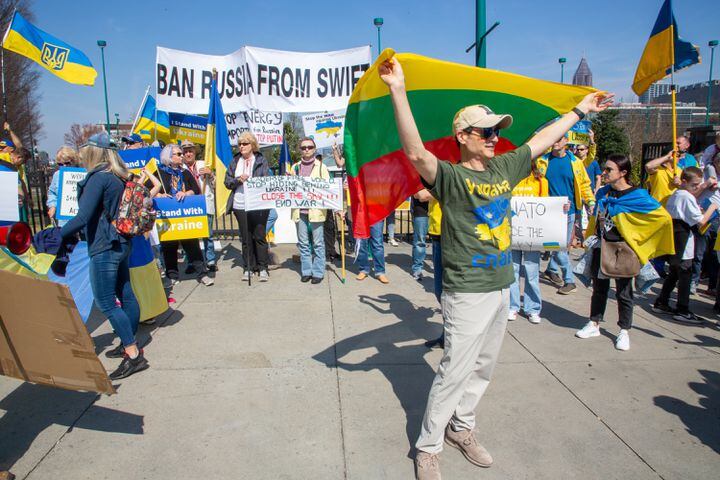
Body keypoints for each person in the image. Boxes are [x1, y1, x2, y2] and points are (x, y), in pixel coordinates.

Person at [378, 54, 612, 479]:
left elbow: (541, 141)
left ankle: (462, 427)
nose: (493, 136)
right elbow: (414, 151)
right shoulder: (449, 176)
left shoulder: (506, 164)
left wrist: (580, 112)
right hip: (466, 288)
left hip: (501, 284)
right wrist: (398, 89)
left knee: (483, 367)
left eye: (495, 131)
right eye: (485, 131)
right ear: (463, 136)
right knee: (454, 369)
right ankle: (428, 446)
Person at [60, 132, 148, 380]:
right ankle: (126, 341)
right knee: (126, 294)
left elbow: (82, 217)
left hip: (104, 245)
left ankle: (133, 354)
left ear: (94, 152)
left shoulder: (98, 178)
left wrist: (58, 234)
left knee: (106, 302)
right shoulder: (117, 176)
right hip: (121, 242)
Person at [575, 155, 653, 350]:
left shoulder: (638, 196)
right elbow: (596, 217)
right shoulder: (603, 193)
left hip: (624, 250)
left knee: (624, 292)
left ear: (623, 173)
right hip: (602, 246)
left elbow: (659, 218)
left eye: (609, 169)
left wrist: (640, 242)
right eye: (605, 168)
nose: (604, 173)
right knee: (599, 289)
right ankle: (594, 323)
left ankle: (624, 330)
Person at [653, 166, 718, 324]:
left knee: (675, 273)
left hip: (677, 238)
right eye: (694, 185)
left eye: (698, 184)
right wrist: (712, 208)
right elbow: (701, 221)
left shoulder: (677, 194)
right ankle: (682, 308)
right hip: (683, 239)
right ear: (684, 182)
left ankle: (662, 301)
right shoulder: (686, 196)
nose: (697, 188)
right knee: (685, 273)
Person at [538, 131, 595, 295]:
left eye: (558, 139)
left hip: (569, 212)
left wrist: (590, 202)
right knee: (558, 246)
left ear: (566, 141)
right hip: (549, 211)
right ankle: (569, 280)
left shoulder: (575, 162)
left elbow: (584, 184)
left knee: (561, 246)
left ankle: (552, 269)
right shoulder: (543, 161)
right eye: (553, 139)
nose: (555, 142)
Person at [153, 144, 213, 286]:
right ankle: (171, 275)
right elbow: (149, 190)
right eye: (178, 154)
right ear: (169, 157)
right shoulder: (159, 173)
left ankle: (202, 274)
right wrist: (160, 194)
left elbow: (196, 190)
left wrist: (186, 193)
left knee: (193, 246)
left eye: (181, 153)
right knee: (169, 247)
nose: (182, 156)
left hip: (185, 215)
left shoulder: (185, 173)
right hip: (168, 216)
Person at [224, 131, 271, 281]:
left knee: (259, 236)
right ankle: (249, 267)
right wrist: (238, 180)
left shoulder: (261, 160)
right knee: (246, 238)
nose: (241, 146)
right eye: (239, 144)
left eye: (245, 143)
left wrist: (251, 180)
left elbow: (265, 180)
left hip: (257, 204)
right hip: (240, 204)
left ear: (252, 145)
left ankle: (263, 267)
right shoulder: (234, 161)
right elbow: (227, 182)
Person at [508, 159, 548, 324]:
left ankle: (533, 308)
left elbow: (546, 205)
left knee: (532, 272)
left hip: (532, 235)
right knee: (513, 271)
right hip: (513, 233)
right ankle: (512, 306)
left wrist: (562, 208)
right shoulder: (509, 179)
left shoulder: (541, 182)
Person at [290, 138, 330, 284]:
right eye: (303, 147)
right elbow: (288, 189)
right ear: (300, 150)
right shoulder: (294, 167)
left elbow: (328, 189)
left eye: (309, 147)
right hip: (299, 210)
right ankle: (306, 271)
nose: (306, 149)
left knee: (318, 243)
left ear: (314, 149)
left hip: (316, 211)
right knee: (303, 243)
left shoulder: (321, 167)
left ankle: (318, 272)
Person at [181, 139, 218, 272]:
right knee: (189, 236)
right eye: (185, 152)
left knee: (208, 234)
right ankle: (192, 261)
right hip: (189, 206)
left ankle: (210, 260)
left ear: (195, 152)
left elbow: (215, 185)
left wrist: (211, 174)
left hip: (205, 203)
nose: (188, 154)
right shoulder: (180, 168)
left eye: (190, 151)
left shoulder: (204, 164)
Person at [47, 146, 80, 227]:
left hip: (81, 216)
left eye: (67, 163)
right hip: (64, 218)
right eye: (60, 164)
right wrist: (52, 206)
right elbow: (52, 193)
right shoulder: (57, 175)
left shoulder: (83, 174)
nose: (64, 166)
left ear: (74, 161)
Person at [411, 189, 433, 280]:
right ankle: (417, 269)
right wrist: (439, 193)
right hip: (421, 212)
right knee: (420, 241)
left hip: (438, 212)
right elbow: (419, 196)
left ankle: (439, 266)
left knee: (439, 241)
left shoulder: (439, 176)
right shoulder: (417, 176)